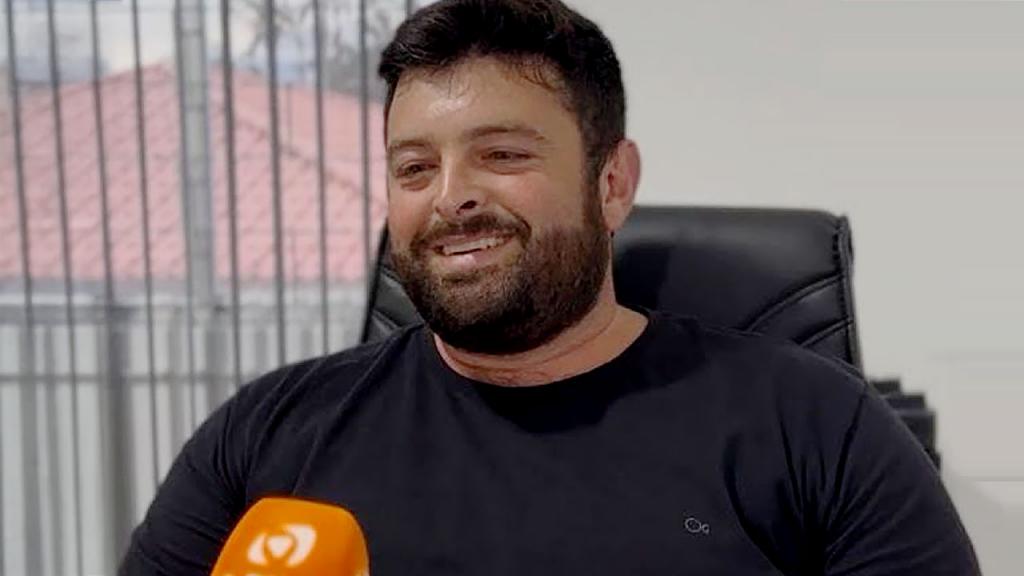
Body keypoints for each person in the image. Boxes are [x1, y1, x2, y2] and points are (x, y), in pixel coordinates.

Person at [120, 0, 980, 574]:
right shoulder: (266, 437)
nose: (450, 197)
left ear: (612, 183)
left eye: (502, 154)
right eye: (414, 167)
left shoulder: (817, 425)